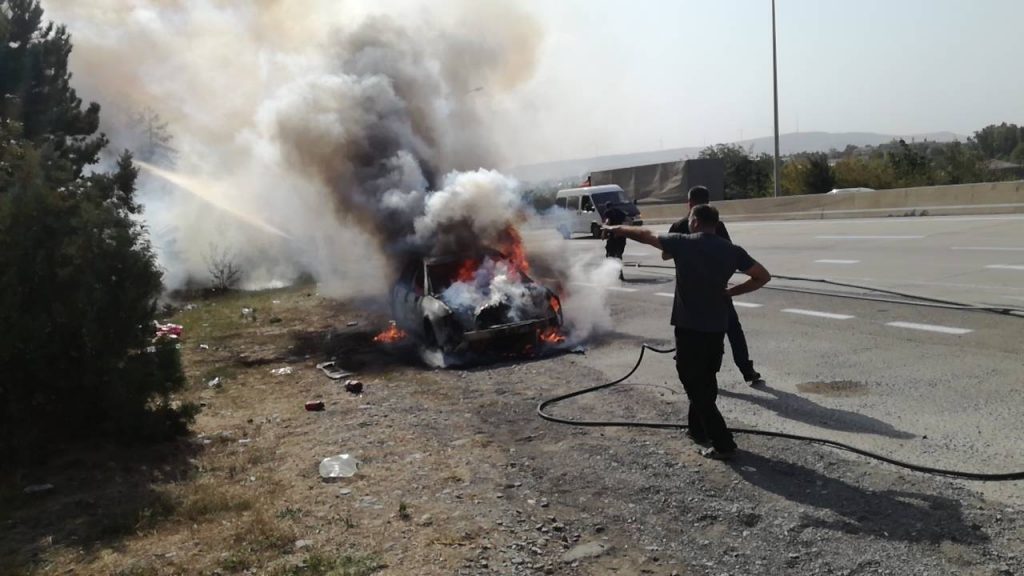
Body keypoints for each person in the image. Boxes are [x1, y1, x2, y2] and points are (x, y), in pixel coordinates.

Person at [605, 204, 771, 459]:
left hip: (689, 328)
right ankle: (697, 430)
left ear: (694, 222)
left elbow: (646, 235)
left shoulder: (683, 243)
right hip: (716, 328)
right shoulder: (732, 250)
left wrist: (618, 229)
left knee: (692, 382)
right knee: (706, 379)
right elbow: (762, 276)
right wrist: (731, 292)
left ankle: (723, 442)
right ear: (715, 224)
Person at [666, 186, 765, 387]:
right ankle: (746, 370)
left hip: (689, 291)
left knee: (687, 328)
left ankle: (686, 362)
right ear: (708, 202)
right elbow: (727, 249)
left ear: (689, 203)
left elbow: (665, 254)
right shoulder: (716, 225)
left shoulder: (678, 226)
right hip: (717, 290)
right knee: (732, 329)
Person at [602, 201, 627, 280]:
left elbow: (607, 222)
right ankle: (620, 274)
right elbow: (628, 221)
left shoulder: (608, 212)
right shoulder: (620, 212)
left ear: (607, 207)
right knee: (619, 256)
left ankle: (610, 274)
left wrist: (604, 233)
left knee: (610, 256)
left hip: (613, 238)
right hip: (622, 237)